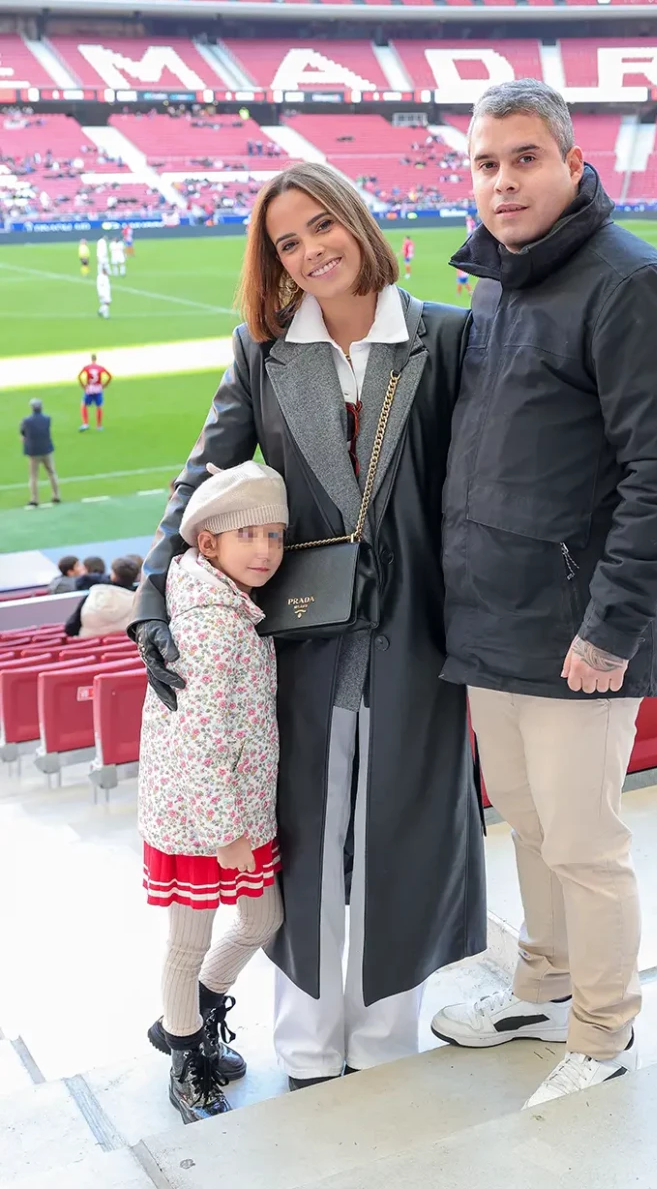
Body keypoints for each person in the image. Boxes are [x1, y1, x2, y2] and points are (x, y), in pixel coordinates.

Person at [131, 162, 485, 1091]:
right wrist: (153, 583)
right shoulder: (263, 350)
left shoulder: (447, 338)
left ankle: (381, 1036)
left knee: (400, 827)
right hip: (302, 630)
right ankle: (306, 1047)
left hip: (420, 631)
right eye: (288, 241)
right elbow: (201, 475)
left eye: (321, 225)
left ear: (356, 222)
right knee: (308, 825)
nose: (310, 250)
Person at [433, 79, 657, 1107]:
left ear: (572, 163)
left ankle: (603, 1029)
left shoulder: (629, 285)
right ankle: (544, 985)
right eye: (484, 163)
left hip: (574, 631)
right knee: (528, 824)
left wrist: (608, 628)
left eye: (522, 159)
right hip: (492, 619)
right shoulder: (497, 280)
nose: (501, 182)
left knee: (585, 844)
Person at [139, 462, 287, 1124]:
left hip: (241, 810)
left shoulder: (234, 608)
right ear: (208, 544)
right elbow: (198, 745)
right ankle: (183, 1057)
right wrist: (226, 830)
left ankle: (189, 1016)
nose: (264, 549)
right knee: (187, 942)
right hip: (202, 821)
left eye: (276, 535)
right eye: (247, 534)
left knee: (262, 920)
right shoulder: (208, 624)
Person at [64, 556, 140, 637]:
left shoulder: (93, 596)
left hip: (89, 644)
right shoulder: (140, 601)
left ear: (113, 575)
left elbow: (70, 629)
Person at [20, 398, 60, 509]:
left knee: (33, 475)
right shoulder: (47, 419)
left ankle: (34, 499)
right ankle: (56, 495)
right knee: (51, 472)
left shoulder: (26, 421)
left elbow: (23, 433)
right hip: (46, 449)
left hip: (33, 451)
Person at [78, 354, 111, 431]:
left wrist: (83, 385)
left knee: (84, 405)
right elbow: (109, 376)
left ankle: (85, 423)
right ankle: (99, 426)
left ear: (91, 359)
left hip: (89, 388)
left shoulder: (87, 367)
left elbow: (79, 376)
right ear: (96, 359)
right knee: (99, 406)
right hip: (98, 388)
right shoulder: (100, 368)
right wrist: (105, 384)